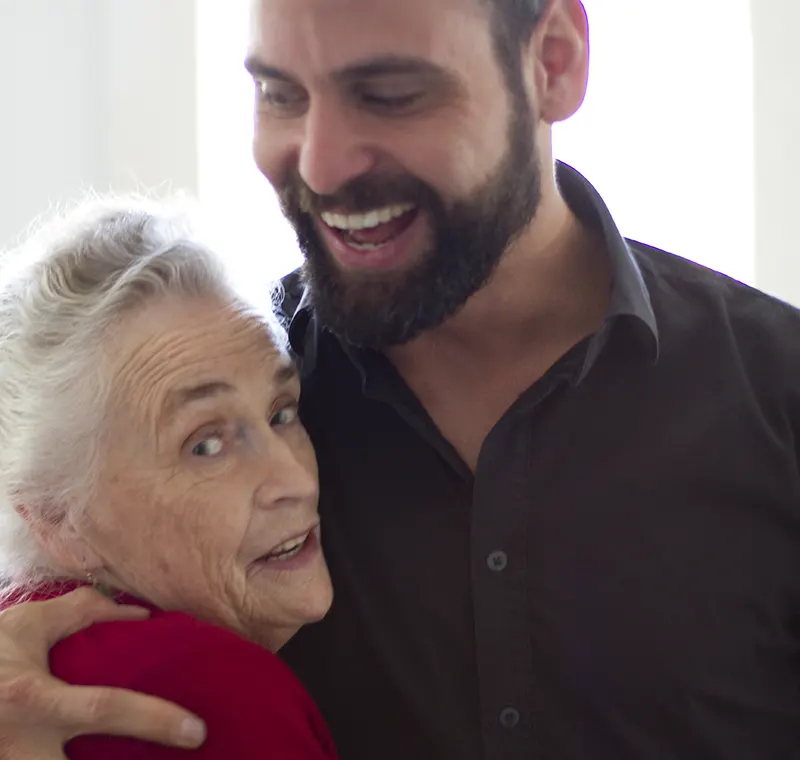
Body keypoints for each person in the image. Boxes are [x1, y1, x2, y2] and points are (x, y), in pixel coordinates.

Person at [0, 0, 799, 757]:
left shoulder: (778, 395)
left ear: (553, 62)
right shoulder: (236, 375)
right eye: (280, 93)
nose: (319, 162)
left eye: (388, 95)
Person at [0, 198, 337, 759]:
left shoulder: (26, 646)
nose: (295, 480)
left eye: (281, 412)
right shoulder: (212, 693)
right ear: (61, 521)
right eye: (205, 445)